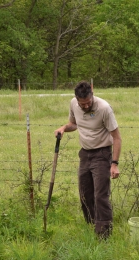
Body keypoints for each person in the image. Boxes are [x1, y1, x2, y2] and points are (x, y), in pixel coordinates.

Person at [54, 81, 122, 238]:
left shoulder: (104, 108)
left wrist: (114, 163)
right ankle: (91, 225)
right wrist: (64, 128)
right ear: (76, 99)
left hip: (102, 154)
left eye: (88, 103)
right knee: (85, 194)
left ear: (92, 94)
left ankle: (104, 233)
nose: (85, 106)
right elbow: (74, 124)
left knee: (100, 195)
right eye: (82, 103)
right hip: (85, 154)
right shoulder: (73, 104)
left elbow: (117, 138)